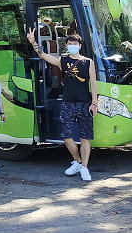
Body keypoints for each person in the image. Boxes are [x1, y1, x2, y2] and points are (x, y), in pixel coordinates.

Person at [27, 28, 98, 181]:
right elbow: (44, 56)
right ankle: (78, 161)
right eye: (70, 43)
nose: (73, 45)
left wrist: (94, 103)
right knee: (67, 138)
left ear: (80, 45)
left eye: (75, 43)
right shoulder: (62, 60)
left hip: (84, 104)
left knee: (85, 138)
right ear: (67, 45)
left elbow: (93, 83)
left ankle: (84, 168)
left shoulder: (88, 62)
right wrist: (33, 41)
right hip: (67, 104)